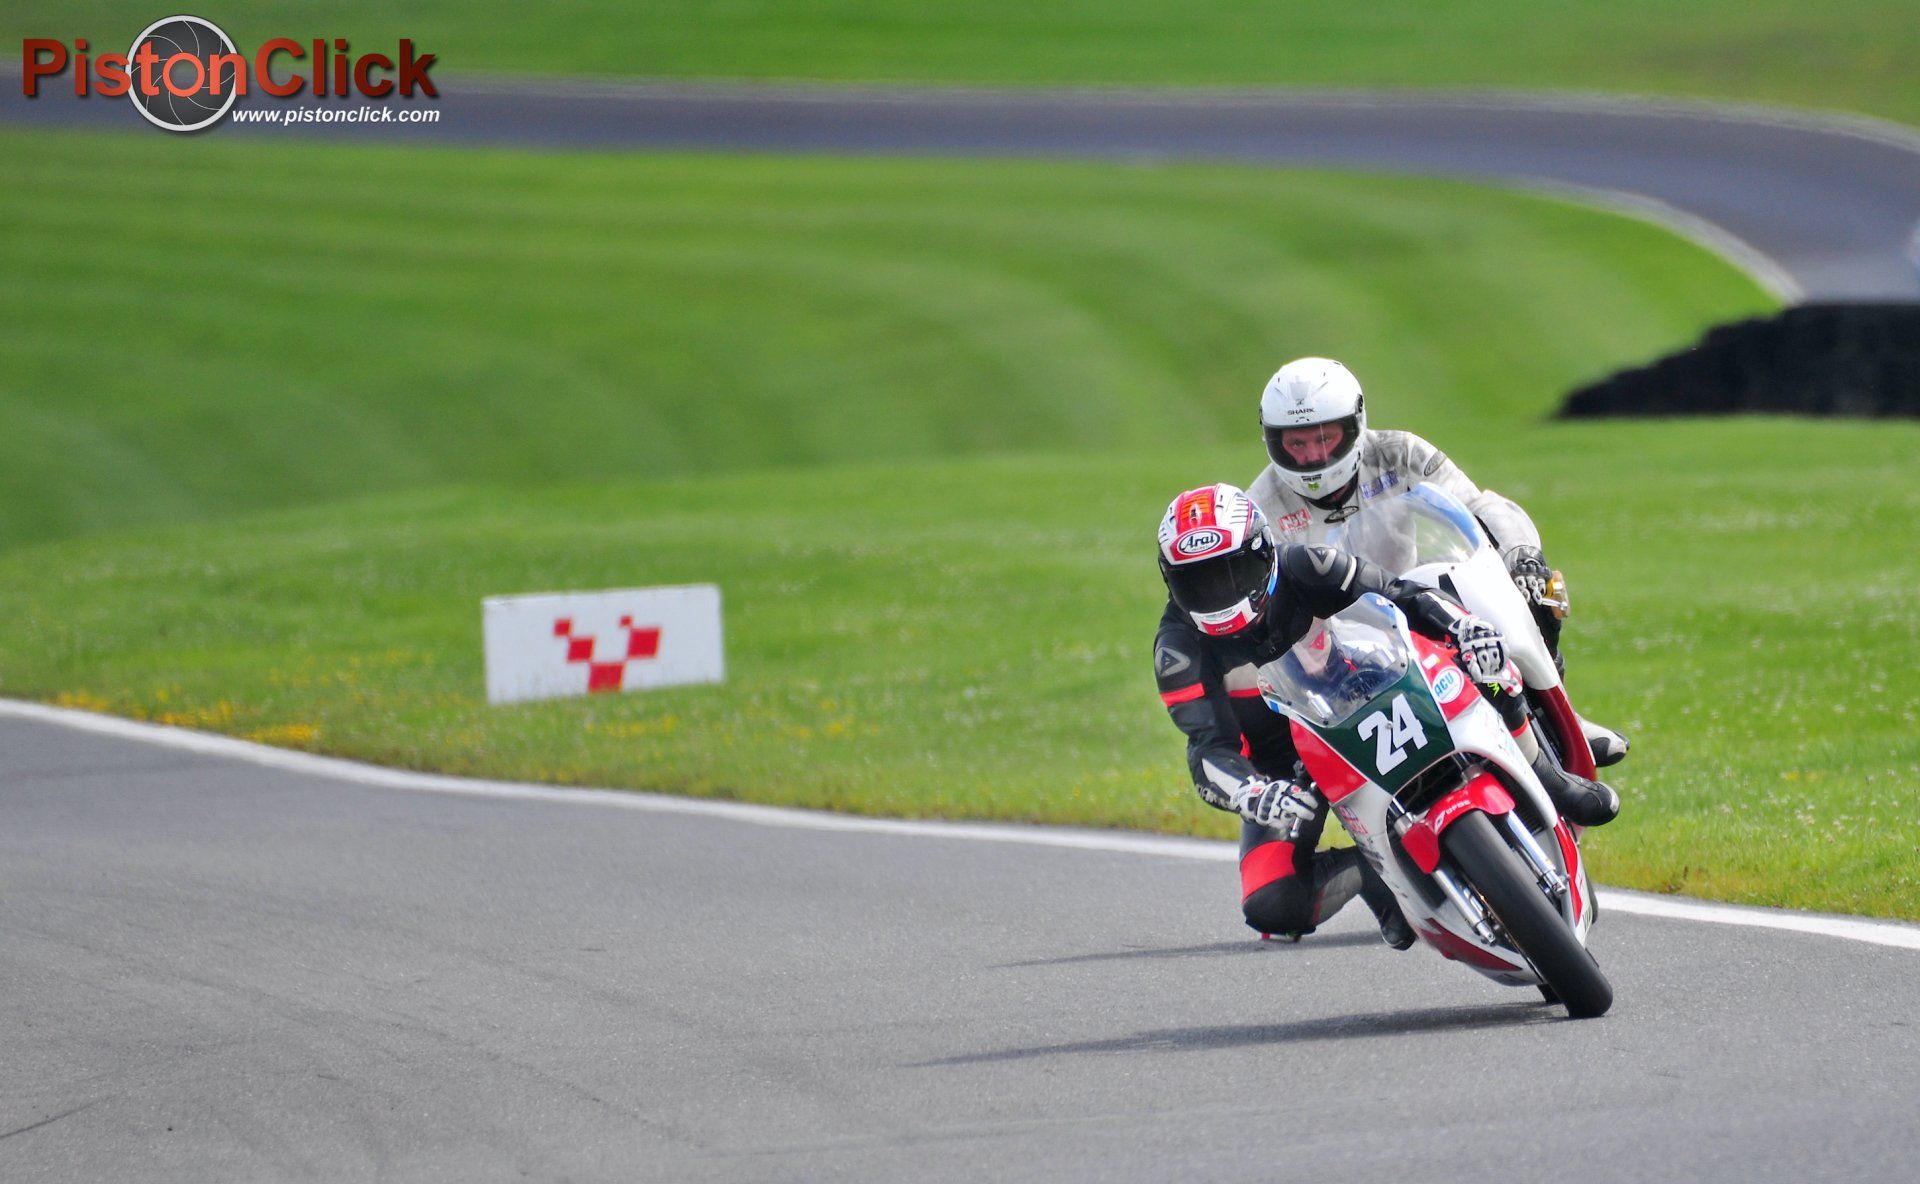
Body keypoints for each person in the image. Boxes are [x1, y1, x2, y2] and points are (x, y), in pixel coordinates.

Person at [1153, 483, 1620, 945]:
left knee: (1487, 665)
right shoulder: (1177, 650)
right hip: (1283, 769)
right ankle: (1375, 874)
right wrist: (1250, 792)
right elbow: (1208, 750)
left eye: (1231, 573)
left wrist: (1464, 626)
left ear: (1263, 552)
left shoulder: (1306, 564)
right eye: (1199, 583)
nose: (1219, 594)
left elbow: (1401, 594)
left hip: (1360, 687)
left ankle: (1550, 779)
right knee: (1270, 902)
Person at [1248, 357, 1628, 768]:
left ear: (1355, 425)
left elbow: (1479, 506)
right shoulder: (1260, 508)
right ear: (1273, 441)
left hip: (1424, 598)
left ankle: (1558, 713)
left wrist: (1523, 557)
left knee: (1534, 586)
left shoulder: (1401, 452)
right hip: (1341, 644)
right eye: (1296, 444)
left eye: (1326, 438)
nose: (1312, 457)